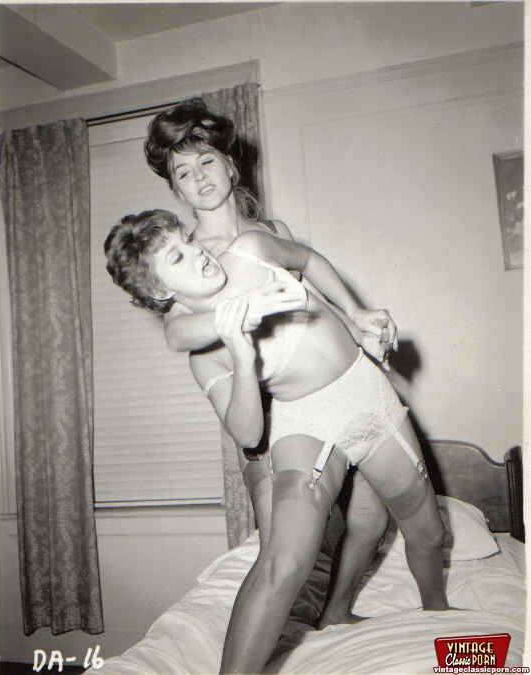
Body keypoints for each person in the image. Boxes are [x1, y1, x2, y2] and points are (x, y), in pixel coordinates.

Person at [104, 209, 449, 674]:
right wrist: (242, 356)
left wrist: (355, 311)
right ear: (162, 291)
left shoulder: (250, 249)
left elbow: (307, 259)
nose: (198, 252)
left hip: (369, 398)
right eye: (178, 257)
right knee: (285, 561)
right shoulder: (202, 355)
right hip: (306, 421)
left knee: (428, 533)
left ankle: (441, 625)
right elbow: (249, 434)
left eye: (187, 239)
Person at [144, 100, 396, 620]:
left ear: (230, 164)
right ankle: (274, 639)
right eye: (183, 173)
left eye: (207, 161)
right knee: (281, 554)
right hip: (269, 416)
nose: (200, 177)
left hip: (330, 394)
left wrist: (358, 324)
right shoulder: (195, 257)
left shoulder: (271, 232)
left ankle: (336, 612)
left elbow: (311, 302)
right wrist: (235, 317)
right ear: (177, 190)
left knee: (372, 512)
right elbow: (176, 331)